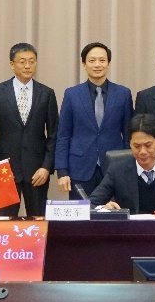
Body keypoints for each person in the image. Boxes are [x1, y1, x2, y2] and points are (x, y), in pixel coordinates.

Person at [0, 43, 59, 217]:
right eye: (22, 62)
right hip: (5, 171)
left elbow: (54, 134)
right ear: (12, 64)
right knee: (6, 222)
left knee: (38, 221)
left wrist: (46, 167)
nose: (28, 66)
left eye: (32, 61)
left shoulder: (46, 93)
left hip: (37, 172)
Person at [55, 42, 133, 197]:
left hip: (114, 167)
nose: (97, 65)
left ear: (108, 63)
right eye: (92, 60)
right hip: (79, 168)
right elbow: (63, 135)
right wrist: (62, 171)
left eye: (102, 60)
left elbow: (128, 135)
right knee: (81, 212)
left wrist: (128, 166)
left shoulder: (123, 94)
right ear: (84, 64)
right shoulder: (71, 94)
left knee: (113, 211)